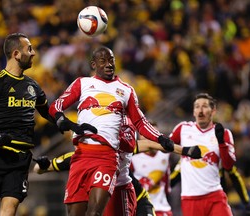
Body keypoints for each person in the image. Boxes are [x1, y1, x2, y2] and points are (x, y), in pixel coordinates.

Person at [48, 46, 201, 216]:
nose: (108, 64)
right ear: (93, 64)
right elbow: (56, 105)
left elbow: (140, 121)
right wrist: (61, 119)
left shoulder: (126, 90)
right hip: (82, 155)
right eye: (103, 61)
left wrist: (160, 138)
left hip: (107, 157)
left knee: (94, 213)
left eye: (111, 60)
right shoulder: (82, 83)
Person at [0, 33, 95, 216]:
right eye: (29, 49)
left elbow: (48, 112)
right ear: (16, 54)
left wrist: (68, 123)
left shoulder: (33, 86)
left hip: (21, 158)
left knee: (10, 209)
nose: (33, 53)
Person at [168, 92, 236, 216]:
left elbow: (228, 166)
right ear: (193, 111)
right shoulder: (183, 129)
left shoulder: (224, 133)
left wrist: (221, 143)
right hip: (190, 198)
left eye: (204, 106)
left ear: (213, 111)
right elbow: (165, 147)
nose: (200, 110)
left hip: (215, 195)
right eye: (197, 106)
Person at [170, 160, 250, 216]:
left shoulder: (217, 152)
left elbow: (234, 176)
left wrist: (247, 204)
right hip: (195, 203)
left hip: (217, 202)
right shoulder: (187, 158)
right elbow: (172, 180)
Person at [131, 122, 173, 216]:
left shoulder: (165, 156)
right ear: (140, 136)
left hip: (162, 208)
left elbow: (167, 181)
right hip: (142, 207)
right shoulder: (132, 159)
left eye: (155, 134)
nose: (151, 139)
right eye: (147, 135)